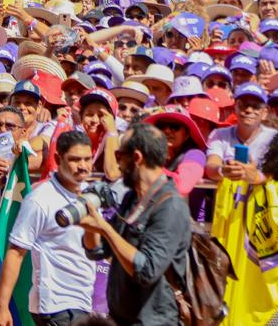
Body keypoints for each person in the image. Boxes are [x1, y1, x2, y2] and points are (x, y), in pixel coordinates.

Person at [78, 123, 192, 326]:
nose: (118, 164)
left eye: (119, 155)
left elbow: (147, 271)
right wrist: (89, 225)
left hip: (154, 322)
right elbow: (97, 251)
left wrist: (104, 228)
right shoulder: (132, 198)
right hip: (120, 318)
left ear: (137, 158)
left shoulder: (171, 206)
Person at [0, 130, 98, 326]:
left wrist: (93, 225)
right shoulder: (40, 199)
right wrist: (1, 306)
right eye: (75, 159)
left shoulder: (90, 196)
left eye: (87, 159)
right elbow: (16, 252)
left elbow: (93, 249)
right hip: (55, 307)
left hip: (83, 303)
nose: (83, 166)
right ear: (58, 159)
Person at [204, 83, 277, 183]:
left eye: (256, 106)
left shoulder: (274, 138)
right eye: (243, 105)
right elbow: (211, 166)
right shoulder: (219, 135)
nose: (248, 110)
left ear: (265, 113)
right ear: (235, 108)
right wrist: (223, 170)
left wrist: (256, 177)